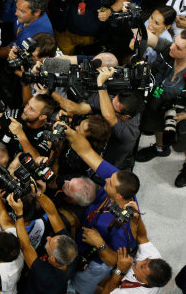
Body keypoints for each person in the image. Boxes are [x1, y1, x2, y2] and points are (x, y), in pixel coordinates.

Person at [64, 126, 141, 294]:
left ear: (119, 196)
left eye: (110, 183)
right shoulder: (118, 177)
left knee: (79, 287)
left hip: (96, 261)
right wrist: (68, 132)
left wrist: (100, 244)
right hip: (83, 239)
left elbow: (117, 261)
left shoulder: (124, 227)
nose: (106, 179)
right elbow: (86, 152)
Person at [134, 28, 186, 187]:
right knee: (155, 123)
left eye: (178, 47)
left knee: (183, 141)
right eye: (174, 42)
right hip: (160, 95)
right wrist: (132, 19)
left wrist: (184, 115)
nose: (171, 48)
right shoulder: (169, 49)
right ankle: (160, 148)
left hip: (183, 108)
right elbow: (146, 36)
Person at [6, 187, 78, 294]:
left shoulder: (45, 275)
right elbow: (52, 213)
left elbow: (25, 245)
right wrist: (37, 193)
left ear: (53, 259)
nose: (48, 238)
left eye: (49, 242)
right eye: (52, 238)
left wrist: (19, 214)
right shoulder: (69, 249)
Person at [100, 218, 172, 293]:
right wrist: (136, 218)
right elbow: (142, 237)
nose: (138, 261)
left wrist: (120, 271)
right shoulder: (153, 256)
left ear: (145, 281)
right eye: (146, 259)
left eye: (142, 267)